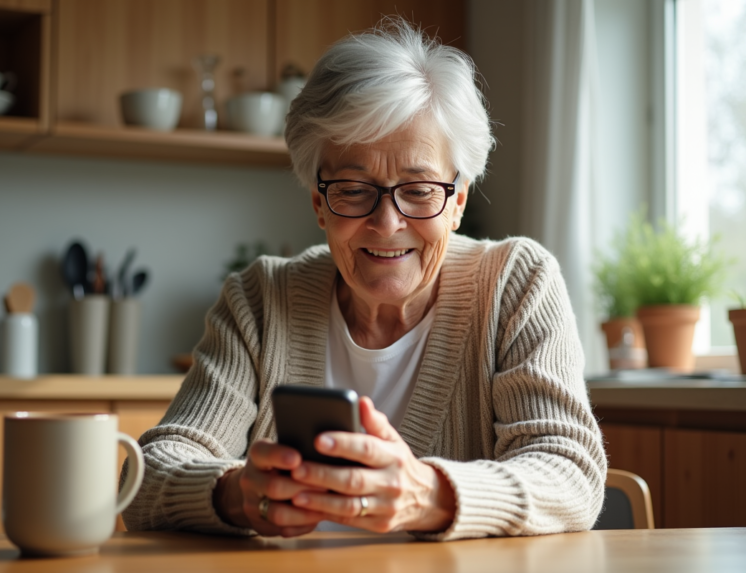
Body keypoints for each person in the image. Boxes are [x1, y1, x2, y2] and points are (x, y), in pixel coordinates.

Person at [121, 18, 606, 541]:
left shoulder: (517, 284)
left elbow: (570, 473)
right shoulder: (263, 300)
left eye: (419, 189)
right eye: (353, 189)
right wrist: (239, 493)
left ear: (458, 201)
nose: (388, 223)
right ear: (319, 205)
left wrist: (428, 493)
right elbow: (146, 478)